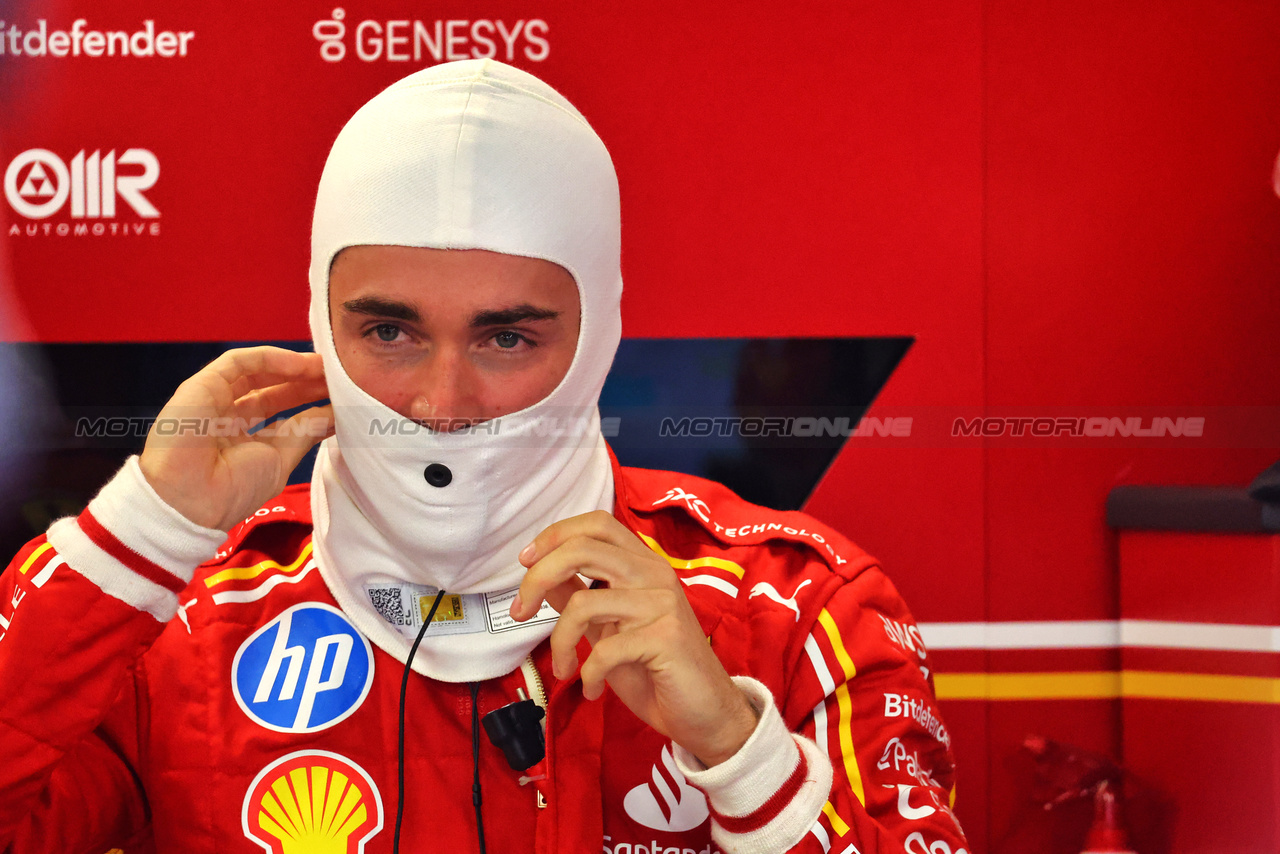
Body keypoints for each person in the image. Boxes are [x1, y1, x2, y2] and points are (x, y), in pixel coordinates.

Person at [0, 60, 969, 854]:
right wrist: (136, 534)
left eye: (506, 338)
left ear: (597, 333)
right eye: (388, 331)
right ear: (319, 325)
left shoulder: (796, 609)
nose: (442, 401)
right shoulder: (183, 618)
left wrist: (736, 750)